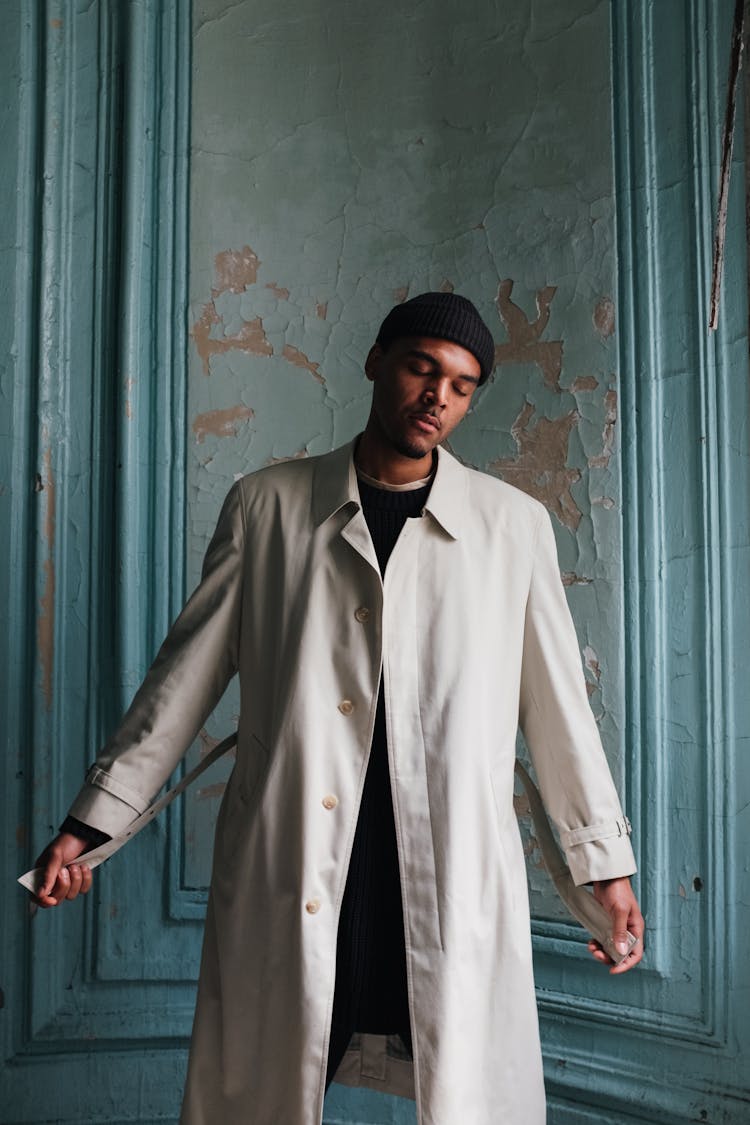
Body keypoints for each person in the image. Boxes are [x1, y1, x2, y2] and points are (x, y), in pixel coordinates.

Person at [33, 292, 644, 1125]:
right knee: (271, 1086)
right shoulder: (267, 506)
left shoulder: (514, 529)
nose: (437, 396)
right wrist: (91, 827)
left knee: (463, 1091)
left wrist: (606, 871)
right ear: (377, 362)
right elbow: (180, 686)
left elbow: (560, 717)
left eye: (462, 385)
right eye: (421, 367)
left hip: (443, 863)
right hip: (301, 859)